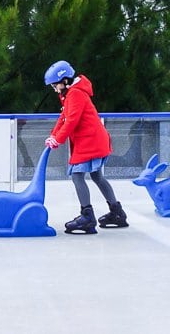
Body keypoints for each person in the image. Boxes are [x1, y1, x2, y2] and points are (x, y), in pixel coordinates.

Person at [43, 60, 127, 234]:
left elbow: (72, 121)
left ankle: (87, 217)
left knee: (77, 176)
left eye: (55, 85)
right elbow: (63, 118)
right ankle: (117, 213)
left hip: (90, 142)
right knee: (97, 176)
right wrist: (53, 134)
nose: (55, 89)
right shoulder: (70, 94)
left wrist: (58, 139)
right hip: (91, 140)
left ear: (65, 81)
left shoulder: (75, 94)